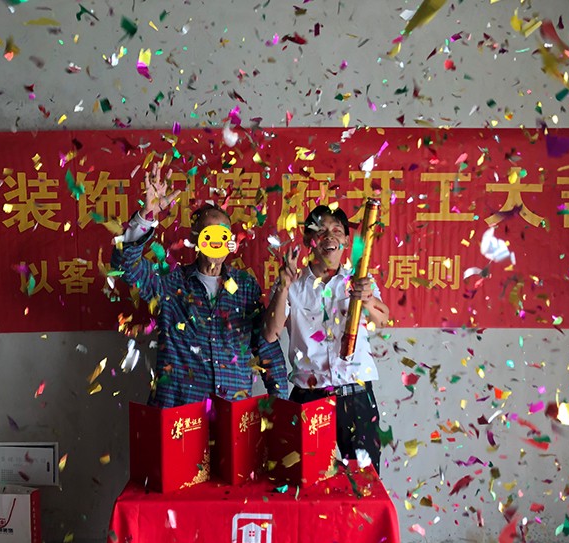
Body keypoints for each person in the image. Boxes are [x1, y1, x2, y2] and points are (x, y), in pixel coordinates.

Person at [110, 162, 288, 408]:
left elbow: (266, 346)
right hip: (179, 413)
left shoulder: (246, 287)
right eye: (208, 234)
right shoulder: (170, 282)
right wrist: (146, 215)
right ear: (195, 239)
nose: (216, 242)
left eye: (222, 235)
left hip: (231, 412)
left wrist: (281, 406)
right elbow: (125, 266)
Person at [263, 205, 390, 472]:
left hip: (356, 397)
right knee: (310, 483)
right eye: (320, 231)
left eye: (336, 231)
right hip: (310, 400)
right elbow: (271, 333)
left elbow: (382, 320)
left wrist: (367, 299)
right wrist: (283, 287)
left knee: (363, 484)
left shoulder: (359, 280)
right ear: (309, 240)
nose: (329, 237)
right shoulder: (292, 284)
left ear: (346, 241)